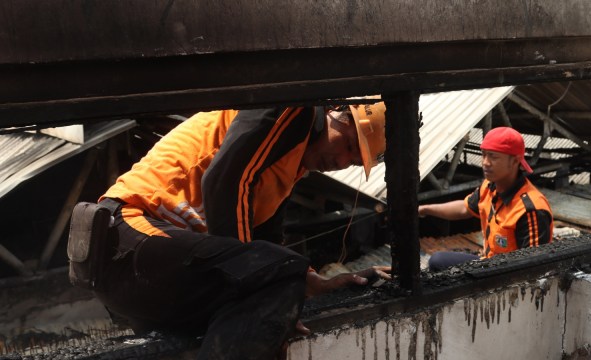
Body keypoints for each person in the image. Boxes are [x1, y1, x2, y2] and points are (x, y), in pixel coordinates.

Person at [87, 99, 391, 359]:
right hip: (128, 233)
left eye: (352, 161)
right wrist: (265, 287)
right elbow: (223, 181)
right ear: (337, 112)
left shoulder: (288, 167)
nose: (340, 160)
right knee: (278, 277)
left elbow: (267, 241)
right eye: (349, 144)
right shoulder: (293, 108)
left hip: (154, 265)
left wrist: (313, 284)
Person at [418, 127, 553, 271]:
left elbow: (534, 268)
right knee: (437, 261)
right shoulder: (489, 186)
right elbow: (465, 208)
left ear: (514, 161)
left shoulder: (530, 209)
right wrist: (425, 209)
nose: (485, 162)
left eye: (493, 157)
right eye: (484, 155)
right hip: (489, 263)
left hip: (508, 276)